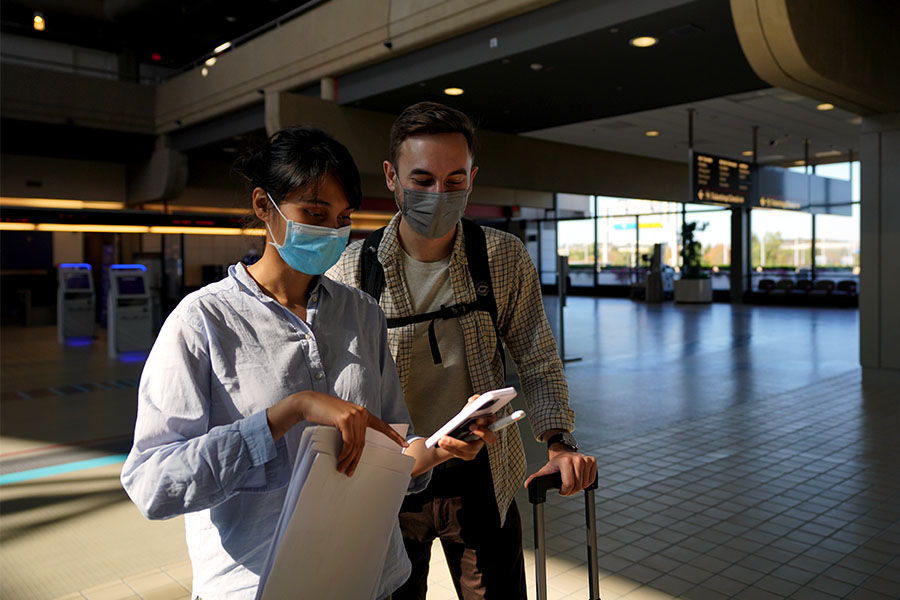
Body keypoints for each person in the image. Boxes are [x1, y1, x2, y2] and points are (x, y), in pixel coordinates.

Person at [120, 125, 494, 600]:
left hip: (371, 578)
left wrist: (438, 447)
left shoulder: (360, 313)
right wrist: (287, 413)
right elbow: (153, 485)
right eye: (315, 213)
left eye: (343, 217)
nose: (332, 231)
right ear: (263, 206)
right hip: (260, 584)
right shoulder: (203, 322)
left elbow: (390, 444)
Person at [327, 102, 598, 599]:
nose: (439, 194)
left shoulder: (500, 257)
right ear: (391, 176)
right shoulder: (351, 271)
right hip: (392, 480)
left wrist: (559, 442)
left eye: (455, 180)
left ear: (473, 177)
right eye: (423, 179)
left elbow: (536, 357)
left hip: (483, 476)